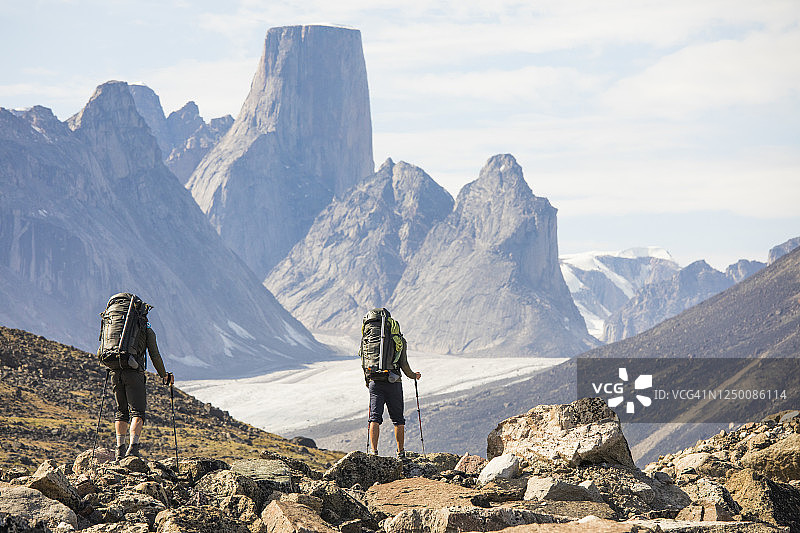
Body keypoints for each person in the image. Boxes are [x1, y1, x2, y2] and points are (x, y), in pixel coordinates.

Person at [109, 303, 173, 460]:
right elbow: (154, 354)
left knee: (121, 412)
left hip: (115, 371)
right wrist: (164, 375)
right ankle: (133, 449)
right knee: (137, 412)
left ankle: (119, 449)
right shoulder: (145, 329)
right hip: (134, 374)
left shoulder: (114, 328)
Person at [359, 308, 421, 459]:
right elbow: (404, 364)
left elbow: (363, 361)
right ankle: (400, 453)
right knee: (398, 419)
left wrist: (368, 380)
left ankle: (374, 452)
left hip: (374, 381)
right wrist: (414, 376)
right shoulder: (397, 339)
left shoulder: (366, 339)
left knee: (374, 417)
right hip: (393, 382)